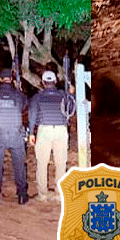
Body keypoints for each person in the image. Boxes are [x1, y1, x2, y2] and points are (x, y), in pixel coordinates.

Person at [27, 70, 74, 201]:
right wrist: (71, 94)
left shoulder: (37, 97)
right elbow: (71, 110)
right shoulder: (64, 95)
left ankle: (43, 194)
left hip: (44, 130)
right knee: (61, 163)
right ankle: (59, 194)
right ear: (55, 81)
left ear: (43, 82)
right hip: (61, 130)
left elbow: (32, 116)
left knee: (42, 163)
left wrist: (31, 133)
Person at [0, 69, 28, 204]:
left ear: (0, 79)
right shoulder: (19, 94)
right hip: (16, 134)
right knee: (19, 165)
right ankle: (22, 195)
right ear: (12, 79)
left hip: (0, 133)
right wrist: (19, 90)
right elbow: (24, 107)